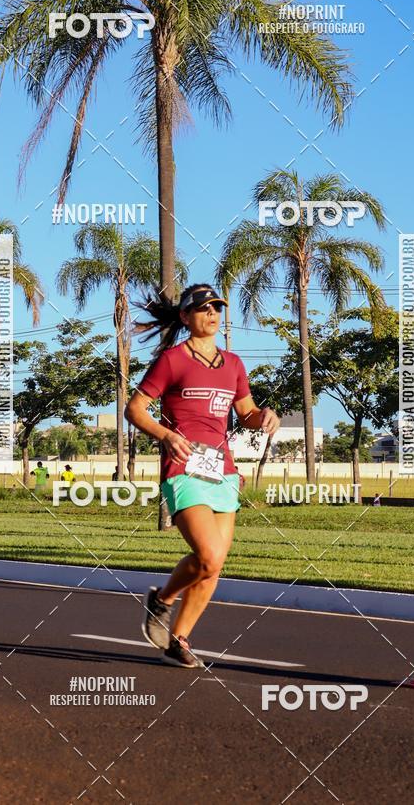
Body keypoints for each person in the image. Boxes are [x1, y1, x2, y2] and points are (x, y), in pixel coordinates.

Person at [125, 283, 280, 668]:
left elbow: (246, 412)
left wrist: (265, 416)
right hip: (183, 467)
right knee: (208, 555)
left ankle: (179, 639)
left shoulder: (234, 364)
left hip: (222, 471)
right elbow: (135, 409)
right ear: (185, 316)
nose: (212, 314)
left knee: (213, 566)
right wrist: (166, 435)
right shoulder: (172, 360)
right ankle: (163, 600)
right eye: (203, 308)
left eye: (216, 308)